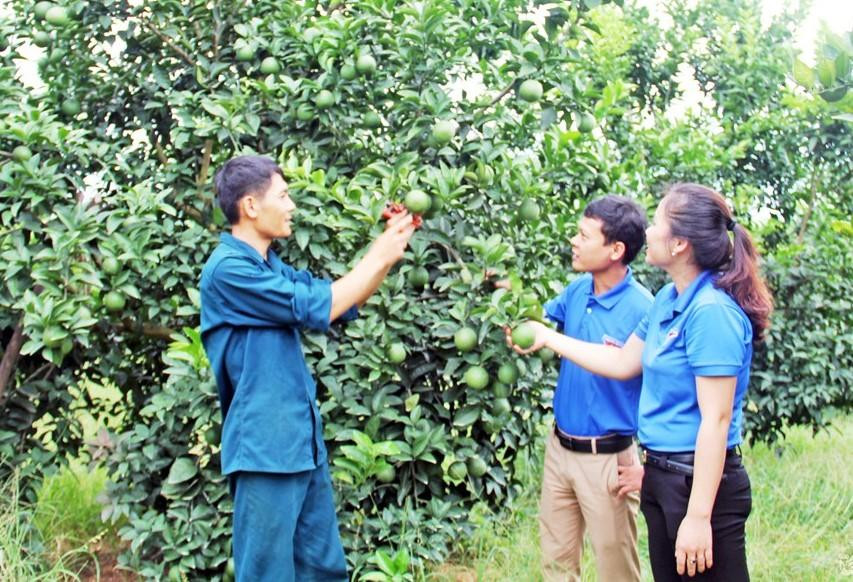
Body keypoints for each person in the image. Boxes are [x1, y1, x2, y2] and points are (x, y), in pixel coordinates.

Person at [508, 183, 772, 581]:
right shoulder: (669, 299)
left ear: (680, 243)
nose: (647, 232)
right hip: (664, 476)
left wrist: (699, 516)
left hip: (700, 484)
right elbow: (621, 361)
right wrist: (548, 337)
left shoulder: (711, 312)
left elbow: (715, 422)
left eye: (658, 222)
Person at [199, 155, 416, 581]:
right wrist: (378, 253)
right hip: (265, 450)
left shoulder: (268, 266)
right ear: (251, 206)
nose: (291, 204)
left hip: (300, 444)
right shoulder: (228, 271)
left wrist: (388, 253)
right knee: (267, 573)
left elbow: (339, 302)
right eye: (283, 195)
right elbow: (322, 304)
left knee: (322, 569)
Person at [537, 195, 653, 581]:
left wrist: (647, 464)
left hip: (608, 461)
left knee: (616, 569)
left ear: (616, 250)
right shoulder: (577, 290)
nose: (574, 240)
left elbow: (660, 391)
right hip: (560, 450)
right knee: (556, 563)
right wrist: (503, 291)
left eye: (584, 235)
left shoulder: (644, 309)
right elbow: (537, 320)